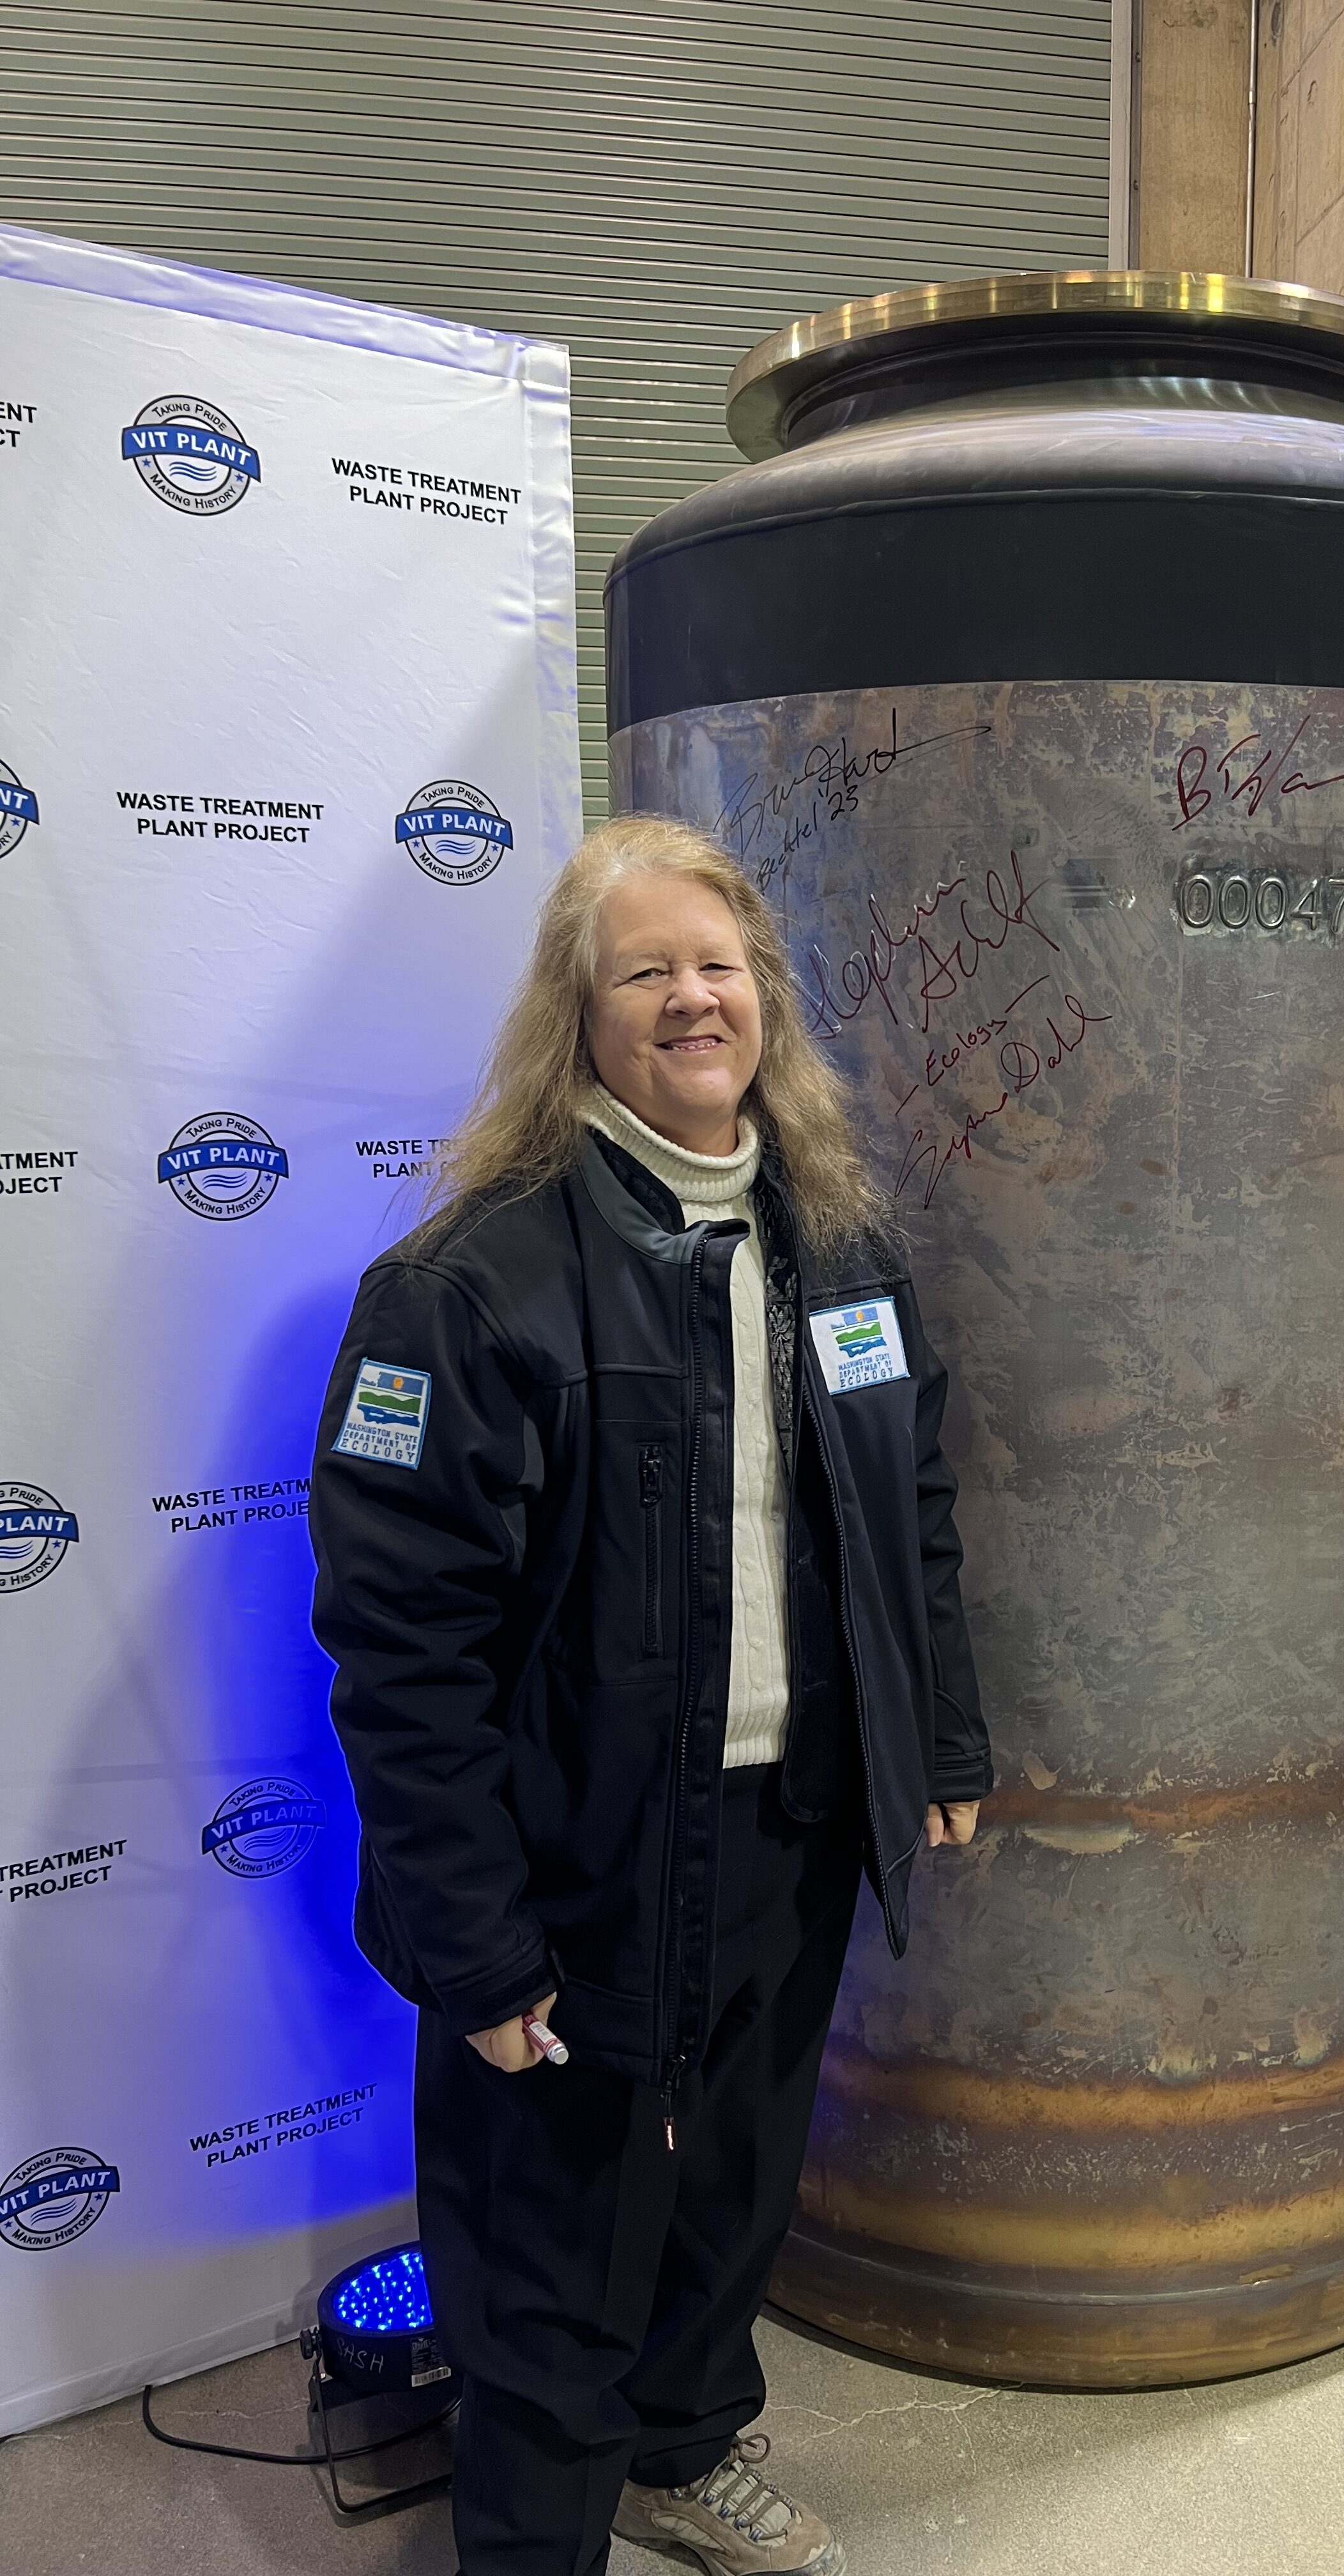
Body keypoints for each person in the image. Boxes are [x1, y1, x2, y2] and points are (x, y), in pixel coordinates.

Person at [309, 814, 989, 2576]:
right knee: (549, 2238)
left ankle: (684, 2453)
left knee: (734, 2187)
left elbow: (910, 1511)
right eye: (648, 971)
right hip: (577, 1862)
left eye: (721, 963)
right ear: (579, 1017)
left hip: (791, 1823)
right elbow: (403, 1652)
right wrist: (474, 1940)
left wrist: (944, 1740)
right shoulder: (469, 1293)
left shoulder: (837, 1244)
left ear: (763, 991)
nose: (696, 997)